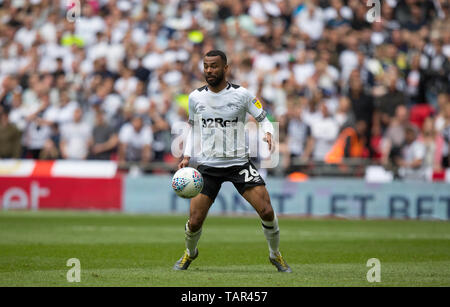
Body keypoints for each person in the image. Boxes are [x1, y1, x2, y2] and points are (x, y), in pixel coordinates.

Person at [174, 50, 291, 272]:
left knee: (266, 211)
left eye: (214, 66)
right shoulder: (195, 97)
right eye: (206, 66)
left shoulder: (242, 95)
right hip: (208, 166)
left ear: (225, 68)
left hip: (239, 163)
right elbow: (192, 127)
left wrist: (268, 133)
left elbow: (264, 119)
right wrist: (187, 155)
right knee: (195, 221)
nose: (209, 70)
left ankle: (275, 255)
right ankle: (190, 253)